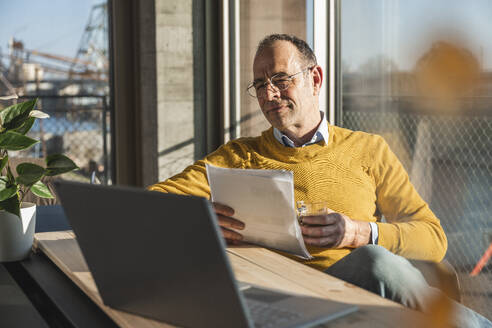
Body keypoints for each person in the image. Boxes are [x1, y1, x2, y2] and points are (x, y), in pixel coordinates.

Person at [149, 34, 491, 327]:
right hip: (283, 300)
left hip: (361, 294)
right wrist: (203, 220)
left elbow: (433, 238)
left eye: (281, 80)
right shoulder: (240, 155)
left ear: (315, 79)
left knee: (374, 261)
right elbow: (155, 200)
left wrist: (359, 232)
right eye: (260, 85)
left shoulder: (368, 149)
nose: (269, 95)